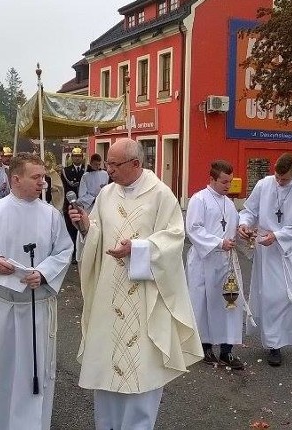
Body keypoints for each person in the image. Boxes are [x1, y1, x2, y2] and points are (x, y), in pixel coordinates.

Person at [69, 138, 202, 430]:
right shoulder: (106, 194)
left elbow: (174, 238)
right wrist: (85, 226)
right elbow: (99, 233)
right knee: (106, 365)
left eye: (114, 165)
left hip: (145, 297)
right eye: (108, 164)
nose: (109, 170)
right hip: (110, 291)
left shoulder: (161, 195)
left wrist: (139, 249)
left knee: (142, 369)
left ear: (136, 164)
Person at [0, 152, 73, 430]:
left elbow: (63, 251)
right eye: (36, 178)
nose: (43, 183)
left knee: (30, 378)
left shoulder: (51, 215)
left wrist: (43, 273)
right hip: (1, 309)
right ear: (15, 179)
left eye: (43, 178)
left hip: (36, 311)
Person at [237, 152, 292, 367]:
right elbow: (250, 210)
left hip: (286, 249)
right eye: (277, 177)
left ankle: (281, 337)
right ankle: (273, 345)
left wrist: (278, 236)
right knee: (270, 296)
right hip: (265, 249)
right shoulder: (264, 185)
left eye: (285, 179)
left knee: (291, 298)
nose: (280, 182)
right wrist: (244, 224)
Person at [186, 160, 245, 370]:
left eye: (230, 181)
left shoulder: (228, 203)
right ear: (211, 179)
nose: (228, 186)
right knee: (204, 305)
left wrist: (243, 232)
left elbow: (234, 225)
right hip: (205, 261)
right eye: (224, 182)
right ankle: (205, 347)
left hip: (226, 262)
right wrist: (219, 242)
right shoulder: (199, 199)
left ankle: (227, 352)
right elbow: (193, 229)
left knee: (229, 304)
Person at [62, 147, 86, 256]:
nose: (77, 158)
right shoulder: (65, 171)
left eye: (79, 156)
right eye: (75, 156)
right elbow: (64, 189)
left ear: (82, 157)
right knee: (71, 229)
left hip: (84, 204)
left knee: (84, 227)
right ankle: (74, 253)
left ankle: (84, 251)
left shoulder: (87, 170)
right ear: (71, 157)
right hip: (70, 205)